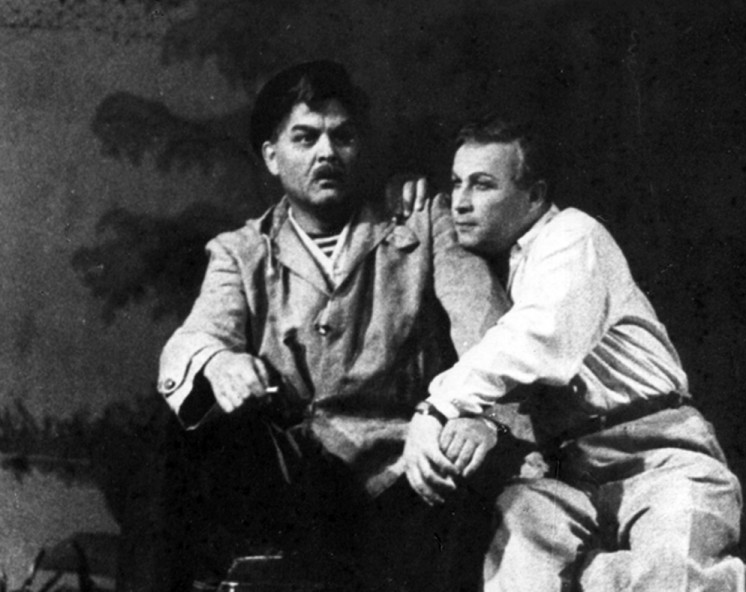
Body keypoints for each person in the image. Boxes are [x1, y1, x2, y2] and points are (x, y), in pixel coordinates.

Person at [157, 61, 511, 592]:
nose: (327, 152)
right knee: (182, 434)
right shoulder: (242, 252)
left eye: (342, 137)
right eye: (305, 138)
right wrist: (219, 360)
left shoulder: (421, 223)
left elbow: (493, 339)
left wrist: (477, 420)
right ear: (272, 156)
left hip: (407, 478)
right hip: (298, 491)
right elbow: (194, 337)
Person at [402, 113, 746, 592]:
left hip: (661, 455)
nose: (460, 201)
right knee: (520, 573)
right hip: (568, 475)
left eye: (482, 185)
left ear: (535, 196)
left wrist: (436, 408)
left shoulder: (573, 236)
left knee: (671, 580)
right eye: (456, 183)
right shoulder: (498, 267)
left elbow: (538, 336)